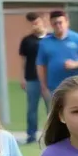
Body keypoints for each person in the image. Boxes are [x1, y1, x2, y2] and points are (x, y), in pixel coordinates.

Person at [37, 10, 78, 105]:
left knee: (74, 115)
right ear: (51, 24)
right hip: (54, 88)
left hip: (75, 87)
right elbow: (41, 65)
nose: (58, 25)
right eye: (55, 23)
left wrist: (76, 64)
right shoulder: (44, 43)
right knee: (55, 117)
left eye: (60, 22)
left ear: (67, 22)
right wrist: (43, 86)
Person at [18, 12, 50, 144]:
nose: (34, 25)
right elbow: (23, 61)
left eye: (36, 22)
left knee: (51, 107)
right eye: (32, 23)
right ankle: (31, 134)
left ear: (42, 22)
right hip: (32, 78)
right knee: (32, 108)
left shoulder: (50, 38)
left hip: (50, 79)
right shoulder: (27, 41)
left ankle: (52, 134)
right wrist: (22, 77)